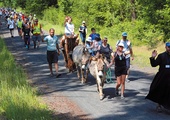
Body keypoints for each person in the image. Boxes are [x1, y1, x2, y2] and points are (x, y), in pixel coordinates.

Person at [146, 42, 170, 112]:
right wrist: (153, 58)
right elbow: (154, 65)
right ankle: (159, 104)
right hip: (162, 77)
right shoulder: (162, 56)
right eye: (168, 47)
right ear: (166, 47)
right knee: (160, 90)